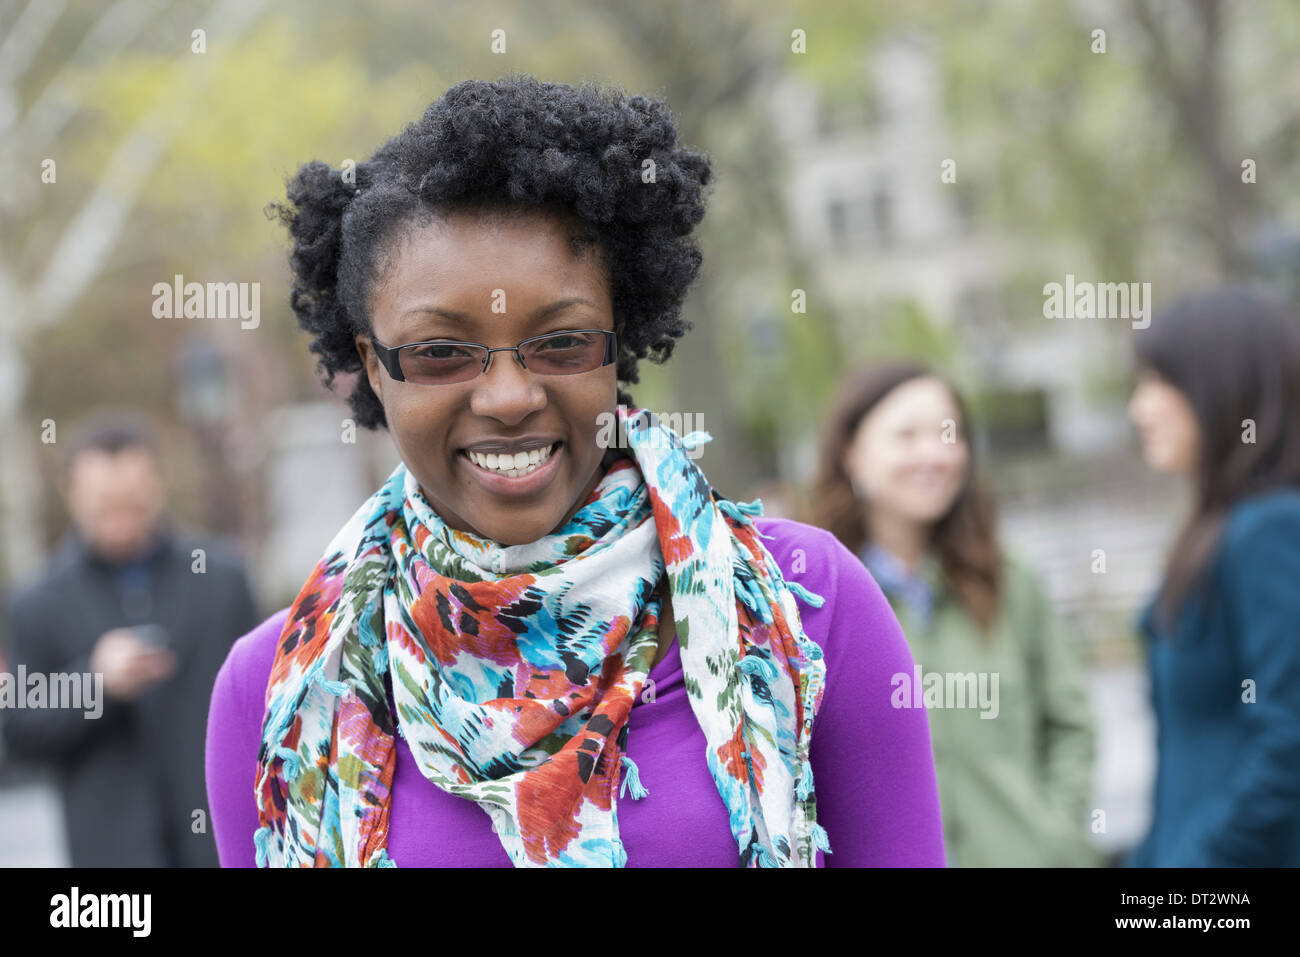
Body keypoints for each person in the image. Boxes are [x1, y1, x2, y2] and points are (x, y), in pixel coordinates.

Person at [204, 75, 946, 868]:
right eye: (440, 353)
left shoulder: (811, 605)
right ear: (373, 368)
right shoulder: (271, 685)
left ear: (616, 343)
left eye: (560, 342)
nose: (510, 396)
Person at [808, 362, 1100, 866]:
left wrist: (1057, 840)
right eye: (907, 435)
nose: (934, 454)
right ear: (852, 453)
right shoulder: (810, 598)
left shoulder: (1009, 581)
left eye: (949, 434)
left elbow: (1070, 724)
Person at [2, 415, 261, 866]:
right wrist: (94, 683)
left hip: (222, 846)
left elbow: (266, 701)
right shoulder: (34, 603)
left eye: (132, 499)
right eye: (105, 502)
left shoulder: (221, 579)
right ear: (71, 495)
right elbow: (20, 730)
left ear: (157, 485)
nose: (121, 514)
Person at [1124, 285, 1300, 867]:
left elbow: (1287, 743)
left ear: (1222, 386)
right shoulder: (1217, 529)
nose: (1139, 410)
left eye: (1158, 384)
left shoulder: (1271, 529)